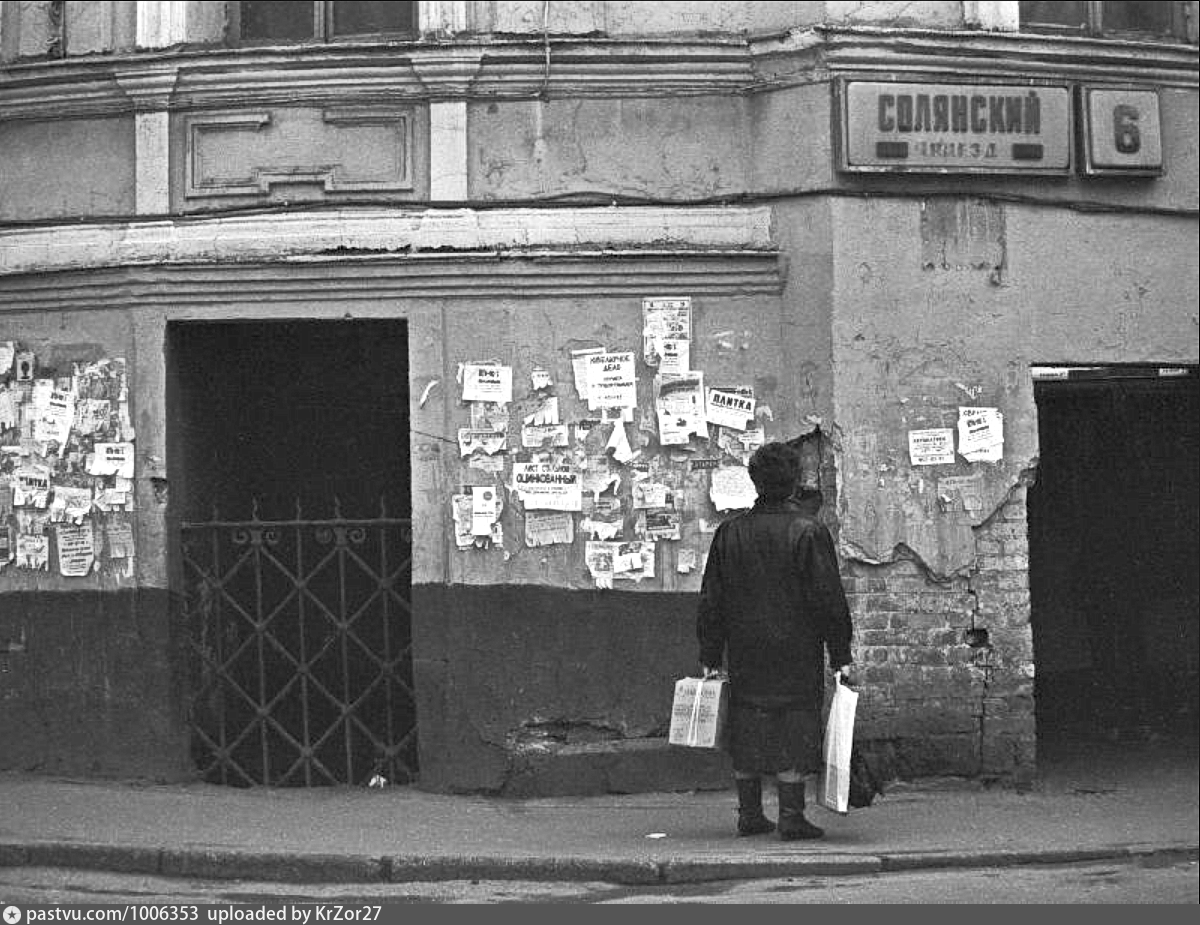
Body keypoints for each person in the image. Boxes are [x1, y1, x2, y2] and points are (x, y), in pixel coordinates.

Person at [697, 441, 854, 840]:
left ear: (754, 481)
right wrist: (840, 653)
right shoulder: (808, 531)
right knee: (794, 724)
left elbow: (712, 599)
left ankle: (749, 813)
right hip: (796, 648)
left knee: (747, 722)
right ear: (795, 481)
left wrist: (711, 653)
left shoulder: (730, 532)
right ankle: (791, 816)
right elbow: (828, 598)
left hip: (745, 648)